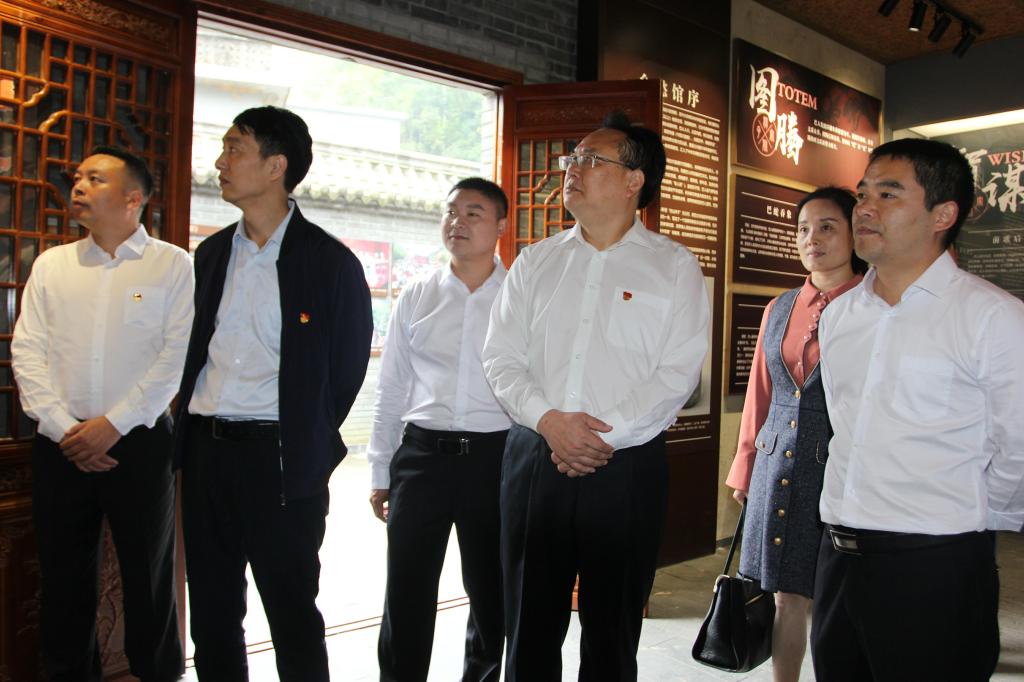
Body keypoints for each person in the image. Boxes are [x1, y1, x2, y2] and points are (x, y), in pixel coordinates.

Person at [482, 111, 709, 681]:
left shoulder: (674, 266)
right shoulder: (535, 261)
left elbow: (677, 372)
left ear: (634, 180)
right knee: (528, 626)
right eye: (572, 158)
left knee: (612, 631)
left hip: (626, 465)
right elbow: (500, 358)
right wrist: (551, 423)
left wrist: (598, 436)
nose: (572, 169)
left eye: (590, 159)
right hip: (535, 457)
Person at [811, 138, 1024, 681]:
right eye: (862, 193)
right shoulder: (840, 316)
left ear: (943, 214)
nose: (864, 208)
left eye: (888, 194)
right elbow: (843, 426)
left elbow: (1018, 447)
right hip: (837, 557)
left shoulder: (992, 317)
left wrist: (970, 516)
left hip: (934, 566)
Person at [174, 106, 372, 682]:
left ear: (275, 166)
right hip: (206, 453)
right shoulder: (212, 254)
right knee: (212, 614)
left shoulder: (329, 262)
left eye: (234, 148)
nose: (220, 161)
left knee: (291, 613)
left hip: (280, 461)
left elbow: (345, 371)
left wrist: (305, 435)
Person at [12, 146, 192, 682]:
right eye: (78, 177)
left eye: (95, 178)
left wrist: (112, 426)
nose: (79, 186)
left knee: (149, 579)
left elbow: (175, 358)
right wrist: (66, 428)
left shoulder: (172, 264)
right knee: (63, 582)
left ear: (133, 198)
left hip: (139, 442)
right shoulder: (53, 265)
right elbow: (27, 350)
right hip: (61, 444)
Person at [369, 177, 511, 682]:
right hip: (421, 457)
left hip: (493, 458)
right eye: (451, 212)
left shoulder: (518, 297)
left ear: (500, 226)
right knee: (406, 589)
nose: (458, 222)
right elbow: (391, 386)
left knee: (490, 591)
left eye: (474, 213)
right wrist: (380, 471)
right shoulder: (418, 294)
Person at [726, 187, 867, 682]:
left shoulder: (872, 306)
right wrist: (745, 466)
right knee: (785, 594)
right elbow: (760, 394)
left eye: (827, 227)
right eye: (804, 229)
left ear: (855, 234)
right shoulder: (781, 307)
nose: (813, 239)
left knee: (836, 593)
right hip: (778, 462)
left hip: (841, 468)